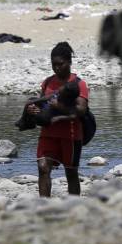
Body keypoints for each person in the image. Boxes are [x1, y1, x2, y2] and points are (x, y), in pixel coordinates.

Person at [26, 42, 89, 197]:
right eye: (53, 65)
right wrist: (33, 110)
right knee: (43, 167)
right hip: (48, 133)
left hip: (71, 136)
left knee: (71, 173)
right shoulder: (47, 82)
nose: (56, 68)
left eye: (60, 64)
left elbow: (81, 110)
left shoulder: (79, 84)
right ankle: (44, 206)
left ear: (69, 62)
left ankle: (73, 207)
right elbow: (42, 105)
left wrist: (60, 106)